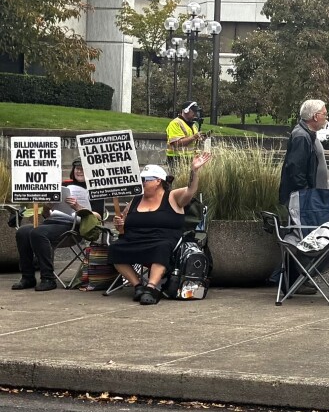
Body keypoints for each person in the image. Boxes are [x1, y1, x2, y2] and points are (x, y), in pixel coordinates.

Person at [109, 155, 211, 305]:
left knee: (161, 247)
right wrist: (119, 224)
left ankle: (151, 288)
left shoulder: (172, 196)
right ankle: (138, 286)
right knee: (115, 248)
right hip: (135, 239)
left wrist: (194, 171)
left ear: (158, 181)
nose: (142, 182)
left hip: (163, 240)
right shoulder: (136, 200)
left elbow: (191, 190)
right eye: (141, 179)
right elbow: (122, 227)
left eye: (146, 179)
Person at [12, 158, 96, 291]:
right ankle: (27, 277)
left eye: (83, 169)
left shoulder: (94, 190)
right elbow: (46, 215)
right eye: (77, 168)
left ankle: (48, 278)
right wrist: (47, 206)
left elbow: (98, 216)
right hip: (51, 222)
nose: (79, 171)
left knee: (38, 233)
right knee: (23, 231)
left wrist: (77, 207)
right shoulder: (63, 186)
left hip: (73, 227)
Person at [278, 99, 329, 205]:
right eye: (324, 114)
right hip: (303, 200)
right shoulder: (301, 136)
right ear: (315, 116)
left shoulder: (308, 134)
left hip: (309, 197)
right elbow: (296, 172)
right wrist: (308, 195)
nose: (326, 117)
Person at [166, 101, 205, 170]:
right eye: (194, 111)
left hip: (190, 158)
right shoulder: (175, 123)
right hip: (176, 159)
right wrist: (194, 137)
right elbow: (176, 143)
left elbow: (193, 143)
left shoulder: (193, 126)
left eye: (196, 111)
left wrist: (201, 138)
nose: (195, 113)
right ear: (186, 111)